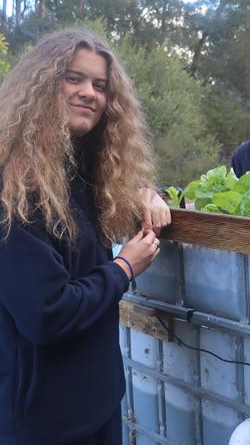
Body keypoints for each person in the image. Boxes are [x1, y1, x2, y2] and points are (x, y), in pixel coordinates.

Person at [0, 28, 171, 444]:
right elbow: (47, 313)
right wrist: (124, 267)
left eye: (99, 85)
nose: (88, 93)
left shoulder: (81, 169)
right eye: (73, 78)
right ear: (41, 85)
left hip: (97, 401)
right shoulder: (13, 187)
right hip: (44, 421)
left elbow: (121, 190)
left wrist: (147, 193)